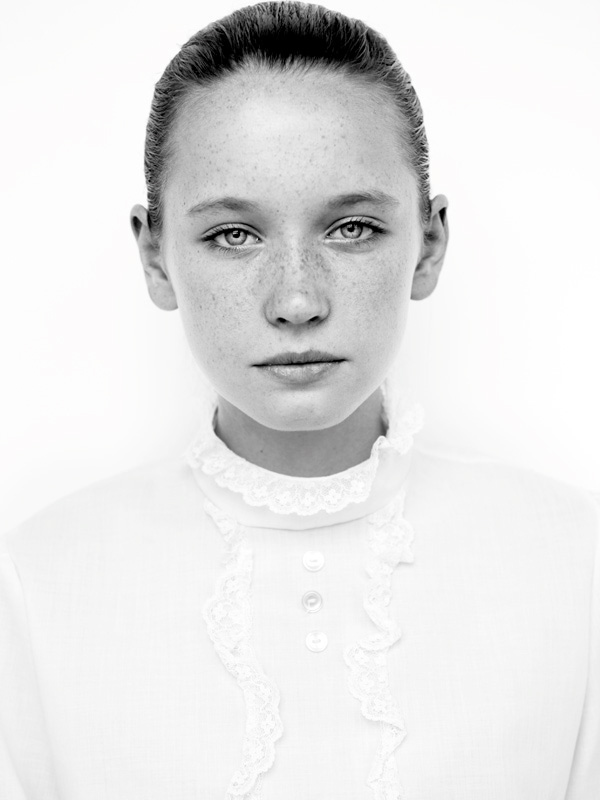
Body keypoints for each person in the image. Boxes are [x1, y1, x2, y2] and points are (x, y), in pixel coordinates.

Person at [1, 2, 598, 798]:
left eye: (351, 227)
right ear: (155, 256)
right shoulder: (37, 584)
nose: (296, 301)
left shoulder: (575, 561)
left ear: (429, 243)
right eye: (233, 235)